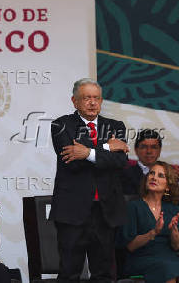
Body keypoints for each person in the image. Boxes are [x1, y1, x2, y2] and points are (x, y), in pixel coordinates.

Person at [50, 78, 129, 282]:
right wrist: (105, 148)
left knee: (103, 273)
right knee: (69, 272)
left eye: (96, 98)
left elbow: (119, 161)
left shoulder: (115, 126)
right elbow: (72, 161)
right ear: (74, 101)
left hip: (105, 212)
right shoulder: (61, 124)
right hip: (72, 211)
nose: (92, 103)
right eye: (86, 98)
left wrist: (87, 152)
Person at [118, 161, 179, 283]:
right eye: (152, 173)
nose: (154, 177)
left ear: (167, 186)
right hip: (141, 259)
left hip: (169, 258)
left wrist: (174, 232)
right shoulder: (133, 207)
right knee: (168, 269)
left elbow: (178, 246)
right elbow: (130, 246)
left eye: (160, 175)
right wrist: (153, 233)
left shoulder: (175, 210)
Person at [122, 129, 162, 196]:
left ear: (159, 150)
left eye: (154, 147)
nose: (149, 151)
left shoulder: (167, 174)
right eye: (144, 147)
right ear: (136, 150)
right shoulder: (125, 174)